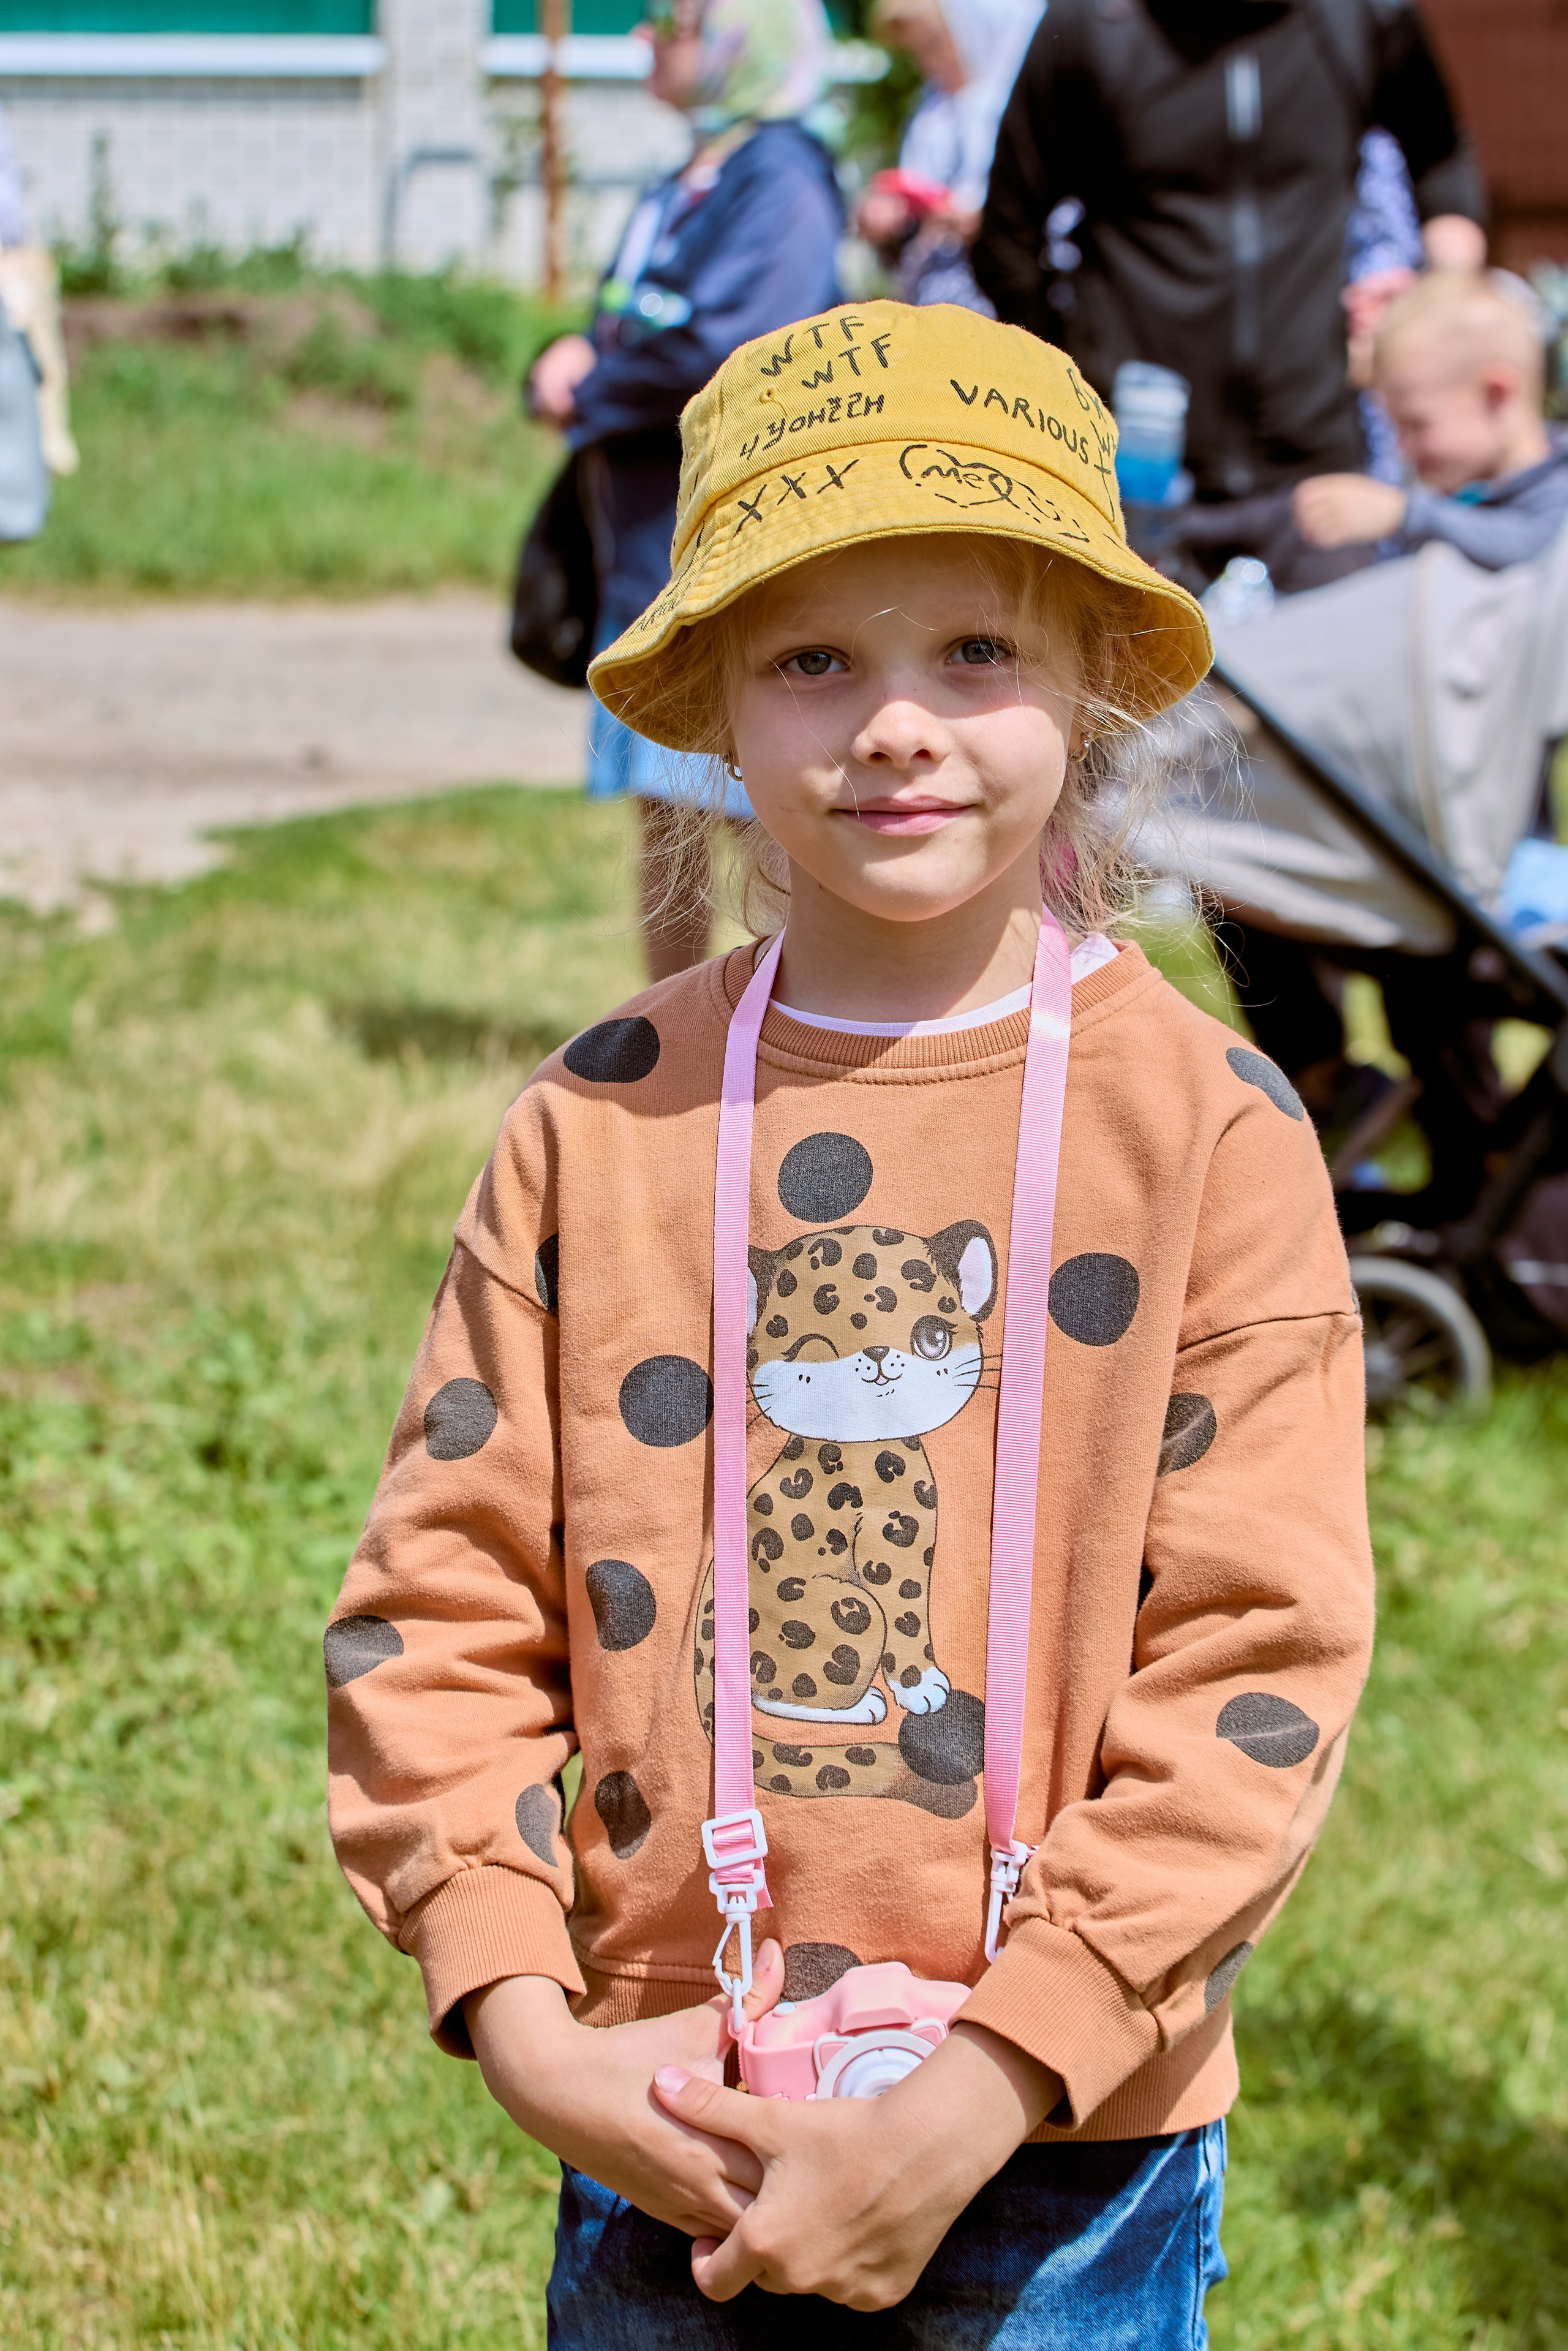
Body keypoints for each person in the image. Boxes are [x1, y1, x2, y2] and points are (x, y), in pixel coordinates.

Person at [326, 303, 1374, 2340]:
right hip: (668, 2112)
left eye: (973, 649)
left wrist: (989, 2073)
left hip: (1063, 2143)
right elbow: (430, 1603)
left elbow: (1264, 1660)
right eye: (816, 656)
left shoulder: (1211, 1139)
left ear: (1084, 686)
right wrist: (538, 2030)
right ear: (714, 701)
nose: (896, 720)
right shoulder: (595, 1121)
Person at [528, 0, 842, 979]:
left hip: (730, 550)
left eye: (669, 18)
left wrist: (591, 387)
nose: (642, 37)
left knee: (760, 811)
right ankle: (679, 1035)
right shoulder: (690, 178)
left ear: (745, 37)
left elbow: (732, 346)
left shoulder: (781, 175)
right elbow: (632, 322)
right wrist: (573, 355)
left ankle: (798, 1035)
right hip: (646, 553)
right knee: (665, 812)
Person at [972, 0, 1486, 526]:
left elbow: (1439, 157)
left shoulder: (1358, 15)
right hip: (1139, 475)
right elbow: (1006, 237)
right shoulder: (1093, 22)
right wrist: (1077, 384)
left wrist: (1438, 301)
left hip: (1318, 467)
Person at [1294, 268, 1568, 570]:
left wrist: (1404, 515)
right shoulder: (1457, 495)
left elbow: (1535, 548)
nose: (1403, 448)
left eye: (1416, 424)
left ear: (1496, 395)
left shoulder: (1558, 485)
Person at [854, 0, 1042, 312]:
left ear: (975, 32)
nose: (926, 63)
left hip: (1001, 300)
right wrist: (889, 214)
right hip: (934, 297)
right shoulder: (930, 112)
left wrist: (981, 218)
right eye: (917, 52)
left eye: (935, 46)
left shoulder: (1018, 104)